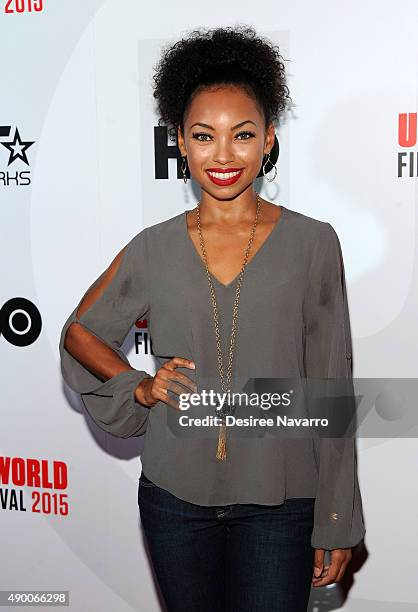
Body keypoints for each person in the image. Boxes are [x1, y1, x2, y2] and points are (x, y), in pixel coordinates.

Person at [59, 25, 366, 612]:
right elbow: (80, 332)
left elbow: (332, 387)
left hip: (281, 503)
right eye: (204, 136)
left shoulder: (313, 243)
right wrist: (141, 387)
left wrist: (335, 517)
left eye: (242, 135)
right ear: (179, 141)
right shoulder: (154, 246)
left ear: (269, 138)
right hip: (174, 499)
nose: (223, 156)